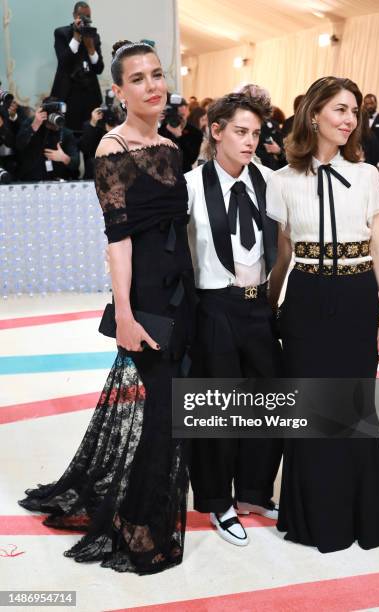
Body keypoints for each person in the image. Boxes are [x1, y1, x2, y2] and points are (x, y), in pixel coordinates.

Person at [19, 39, 196, 576]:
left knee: (172, 411)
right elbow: (118, 240)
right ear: (117, 91)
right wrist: (124, 313)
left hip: (182, 295)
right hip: (145, 301)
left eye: (157, 75)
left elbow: (180, 232)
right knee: (165, 413)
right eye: (137, 79)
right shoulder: (110, 151)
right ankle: (137, 524)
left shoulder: (172, 148)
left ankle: (147, 508)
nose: (152, 86)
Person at [267, 76, 379, 553]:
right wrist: (268, 310)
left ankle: (363, 515)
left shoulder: (367, 176)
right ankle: (312, 516)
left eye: (354, 113)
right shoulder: (280, 181)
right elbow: (283, 256)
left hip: (356, 299)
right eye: (340, 110)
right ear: (315, 113)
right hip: (304, 302)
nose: (349, 120)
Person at [186, 90, 284, 547]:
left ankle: (252, 491)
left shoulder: (268, 180)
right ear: (216, 131)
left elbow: (280, 247)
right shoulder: (190, 185)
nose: (249, 142)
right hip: (215, 307)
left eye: (256, 133)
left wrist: (273, 298)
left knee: (268, 404)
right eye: (241, 132)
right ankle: (217, 500)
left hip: (258, 305)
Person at [51, 2, 104, 133]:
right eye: (81, 16)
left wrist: (91, 49)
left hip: (90, 95)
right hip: (69, 95)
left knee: (91, 134)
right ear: (75, 15)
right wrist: (76, 38)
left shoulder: (94, 36)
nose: (85, 20)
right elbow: (63, 62)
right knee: (69, 135)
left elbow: (99, 68)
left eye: (88, 16)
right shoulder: (61, 33)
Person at [15, 97, 79, 181]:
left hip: (58, 180)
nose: (57, 125)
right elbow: (18, 145)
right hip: (31, 178)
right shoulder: (32, 123)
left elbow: (75, 163)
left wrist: (64, 158)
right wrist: (34, 126)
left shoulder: (66, 133)